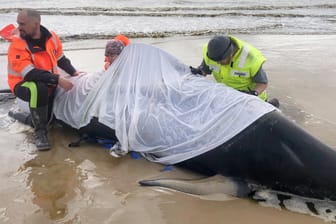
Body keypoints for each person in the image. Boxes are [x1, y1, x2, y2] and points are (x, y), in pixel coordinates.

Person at [7, 9, 79, 151]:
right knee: (38, 88)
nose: (18, 27)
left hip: (48, 81)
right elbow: (29, 74)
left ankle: (34, 118)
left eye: (22, 24)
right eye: (18, 23)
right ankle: (40, 132)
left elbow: (61, 59)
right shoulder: (17, 44)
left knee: (50, 116)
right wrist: (58, 79)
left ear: (36, 24)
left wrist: (74, 73)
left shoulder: (52, 37)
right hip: (22, 83)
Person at [190, 35, 279, 107]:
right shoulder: (212, 53)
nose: (218, 63)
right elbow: (205, 70)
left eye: (221, 60)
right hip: (228, 97)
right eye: (216, 61)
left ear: (231, 53)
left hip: (251, 99)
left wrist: (253, 94)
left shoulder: (251, 59)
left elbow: (263, 83)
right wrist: (199, 71)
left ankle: (270, 105)